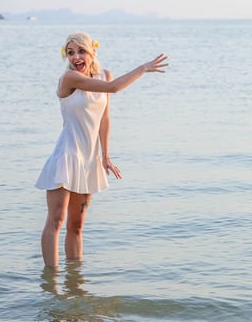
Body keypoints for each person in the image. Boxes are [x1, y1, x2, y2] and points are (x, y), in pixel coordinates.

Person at [35, 32, 168, 268]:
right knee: (56, 221)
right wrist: (143, 68)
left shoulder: (104, 75)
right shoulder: (69, 78)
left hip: (88, 159)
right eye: (70, 52)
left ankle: (75, 286)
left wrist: (105, 155)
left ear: (92, 52)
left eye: (81, 51)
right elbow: (114, 88)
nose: (76, 57)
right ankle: (51, 285)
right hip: (67, 156)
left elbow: (104, 118)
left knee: (76, 226)